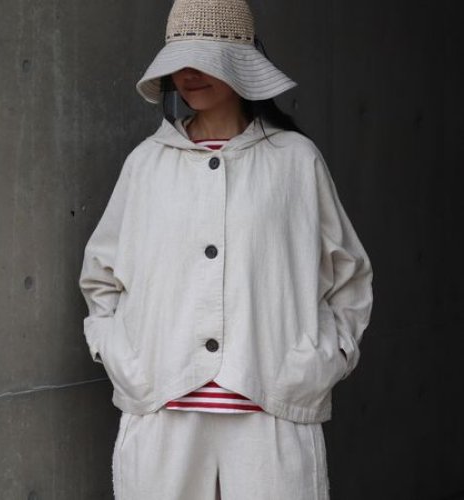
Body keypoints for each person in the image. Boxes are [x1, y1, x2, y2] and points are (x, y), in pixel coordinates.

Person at [79, 0, 373, 498]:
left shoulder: (295, 161)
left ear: (242, 65)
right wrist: (124, 360)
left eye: (205, 61)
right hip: (164, 410)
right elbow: (101, 278)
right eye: (179, 62)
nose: (189, 75)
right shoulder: (146, 165)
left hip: (271, 409)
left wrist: (322, 360)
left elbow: (349, 277)